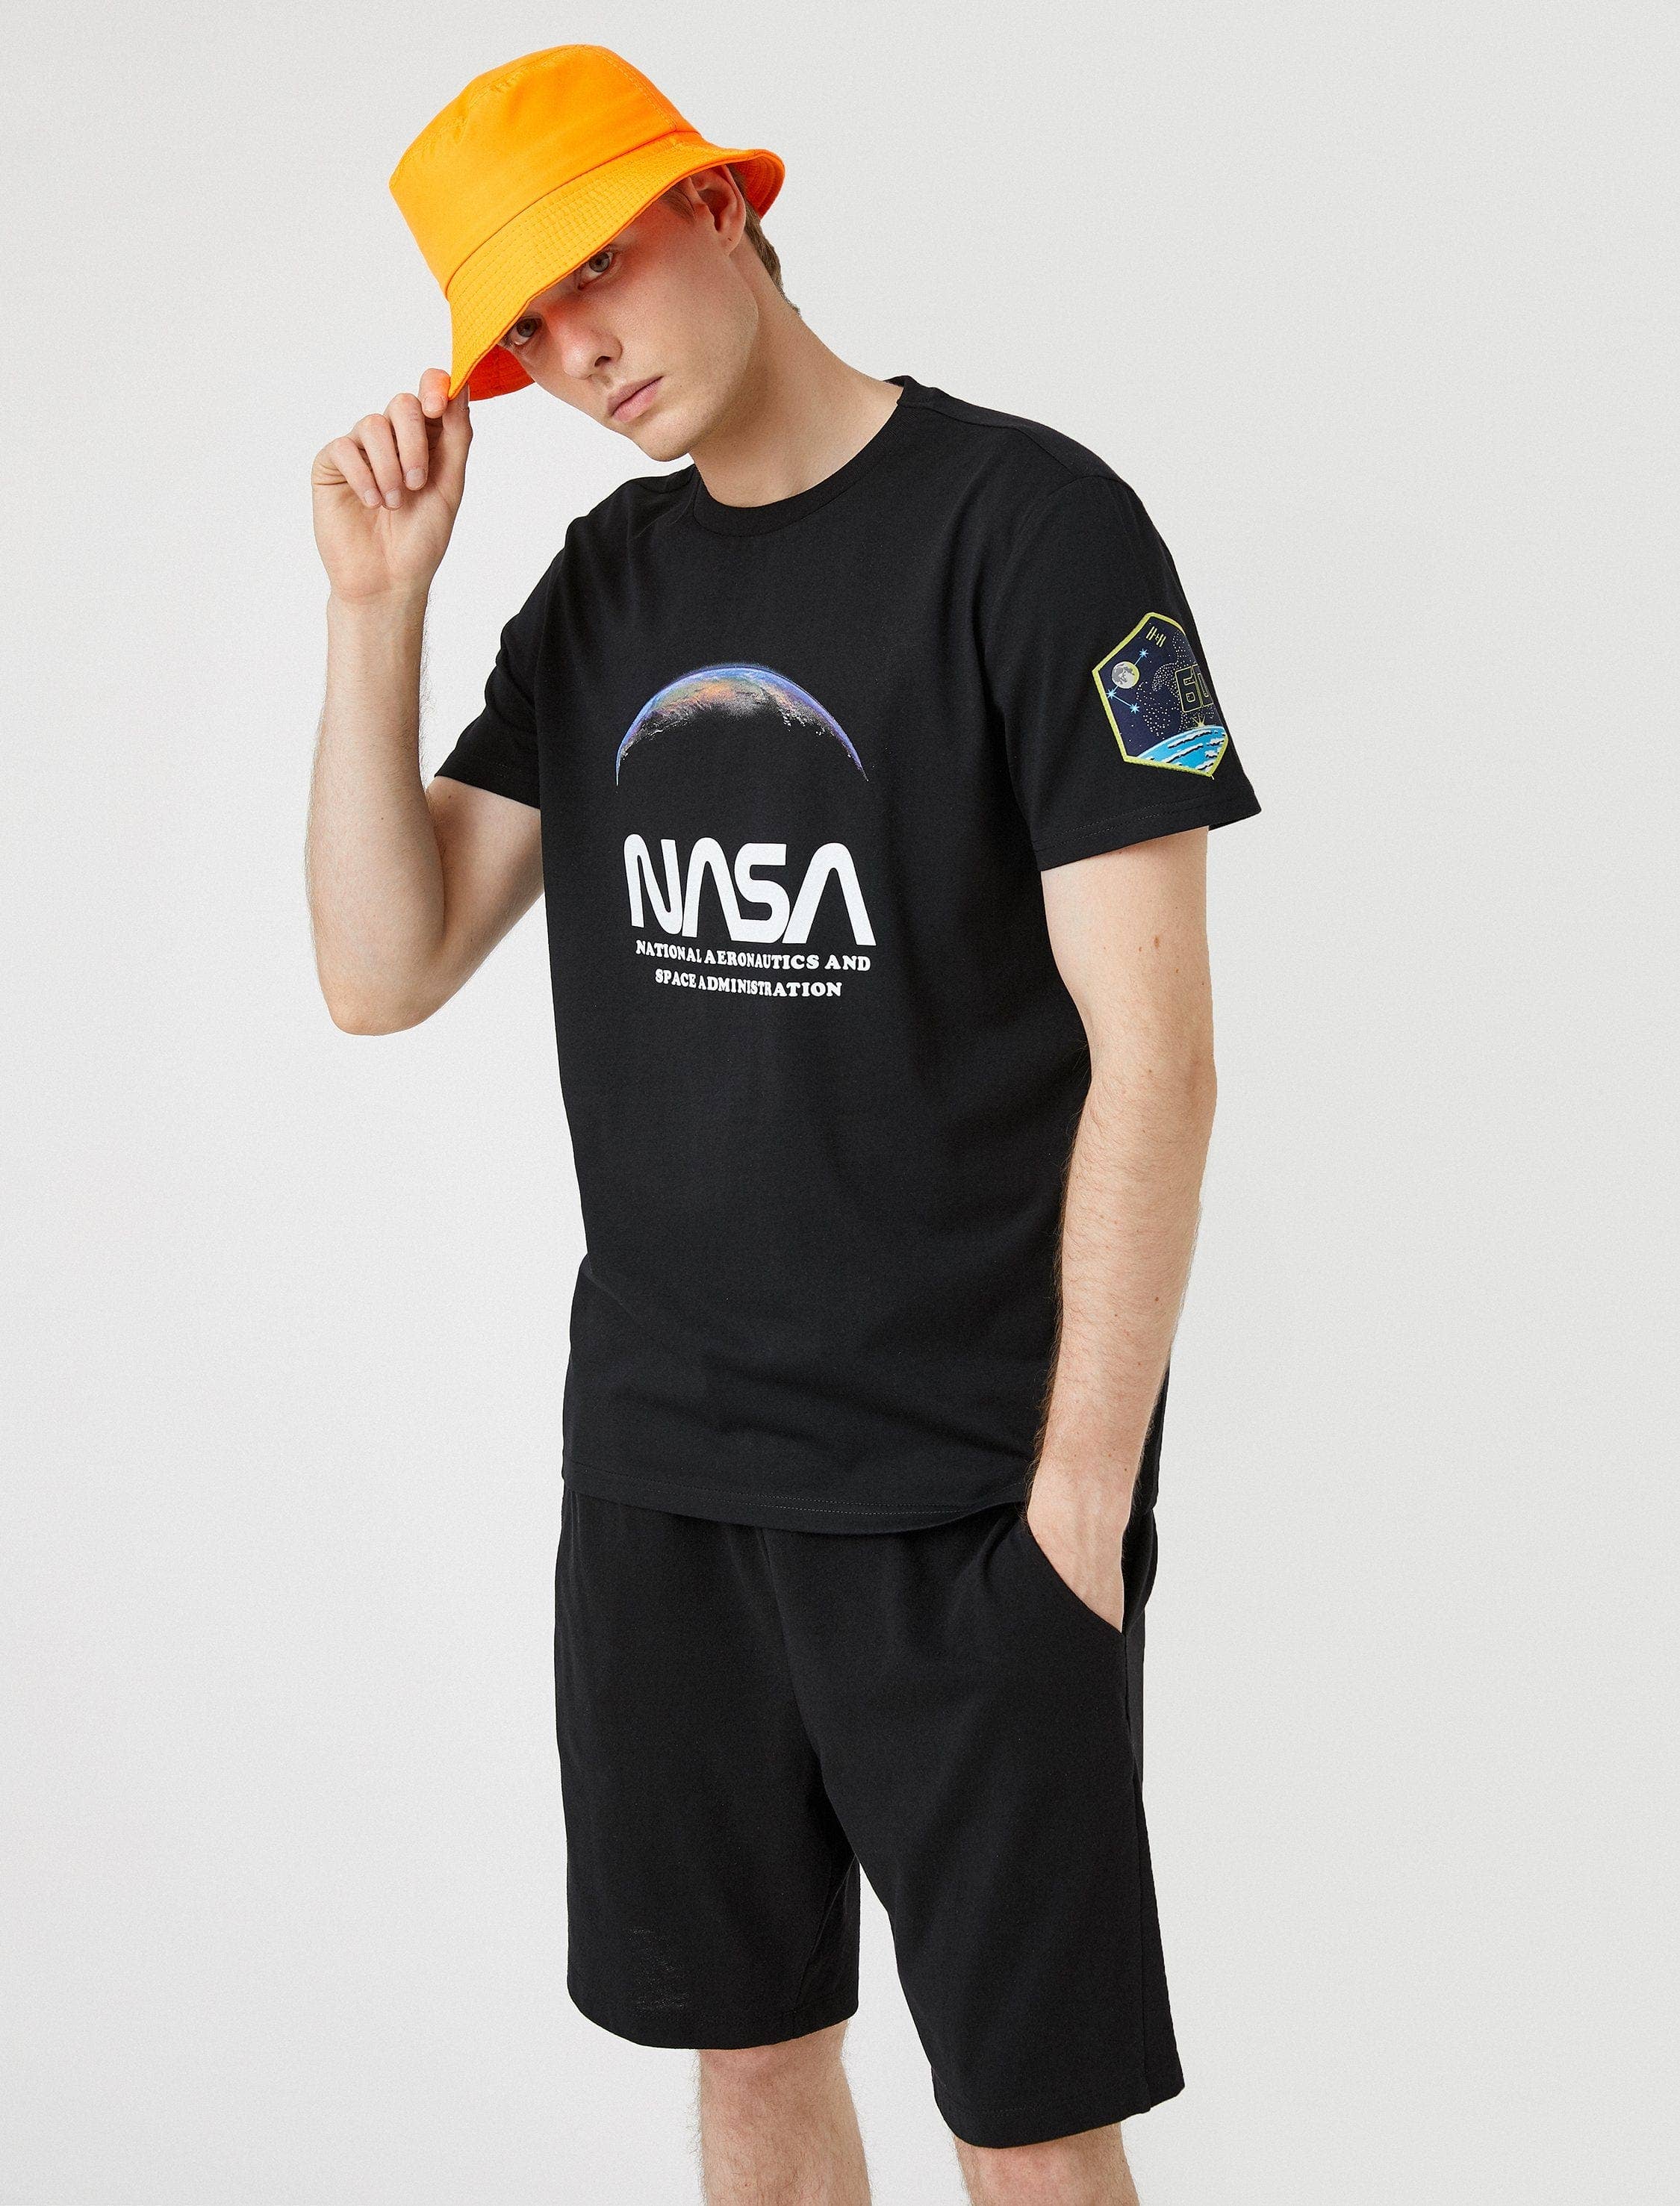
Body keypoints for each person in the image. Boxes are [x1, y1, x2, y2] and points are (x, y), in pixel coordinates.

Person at [306, 43, 1260, 2206]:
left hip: (969, 1493)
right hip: (665, 1484)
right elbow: (383, 965)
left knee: (1027, 2123)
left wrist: (1077, 1508)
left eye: (595, 267)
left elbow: (1161, 1059)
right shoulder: (608, 589)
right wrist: (378, 612)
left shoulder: (1033, 530)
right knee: (745, 2070)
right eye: (523, 326)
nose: (578, 352)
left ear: (721, 206)